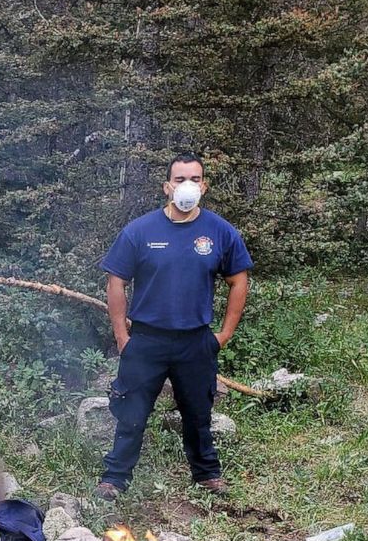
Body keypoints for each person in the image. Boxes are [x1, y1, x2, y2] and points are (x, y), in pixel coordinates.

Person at [96, 152, 253, 499]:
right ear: (167, 186)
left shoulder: (220, 232)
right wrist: (123, 336)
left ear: (205, 186)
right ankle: (115, 478)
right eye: (180, 179)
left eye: (195, 179)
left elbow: (238, 281)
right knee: (131, 412)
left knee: (198, 412)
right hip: (147, 340)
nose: (187, 186)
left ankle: (207, 475)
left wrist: (223, 335)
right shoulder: (140, 230)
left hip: (195, 342)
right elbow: (116, 281)